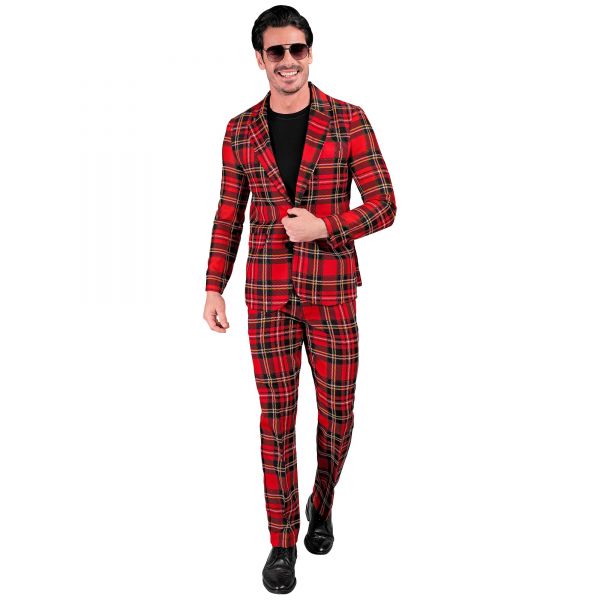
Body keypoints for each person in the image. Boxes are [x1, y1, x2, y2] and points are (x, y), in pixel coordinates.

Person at [203, 5, 396, 594]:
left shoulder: (348, 119)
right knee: (276, 420)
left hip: (332, 292)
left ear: (310, 53)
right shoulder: (240, 130)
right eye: (276, 51)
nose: (288, 61)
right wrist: (213, 285)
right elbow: (229, 213)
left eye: (297, 49)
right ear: (260, 59)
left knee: (338, 415)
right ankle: (282, 541)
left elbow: (384, 204)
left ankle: (322, 501)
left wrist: (327, 226)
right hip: (267, 295)